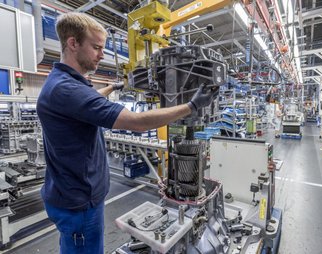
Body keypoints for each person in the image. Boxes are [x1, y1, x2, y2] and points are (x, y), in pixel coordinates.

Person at [36, 12, 218, 254]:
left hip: (72, 195)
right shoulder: (67, 89)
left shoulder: (63, 83)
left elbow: (87, 102)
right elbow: (137, 122)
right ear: (73, 43)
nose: (102, 54)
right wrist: (191, 106)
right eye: (97, 47)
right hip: (79, 203)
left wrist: (113, 86)